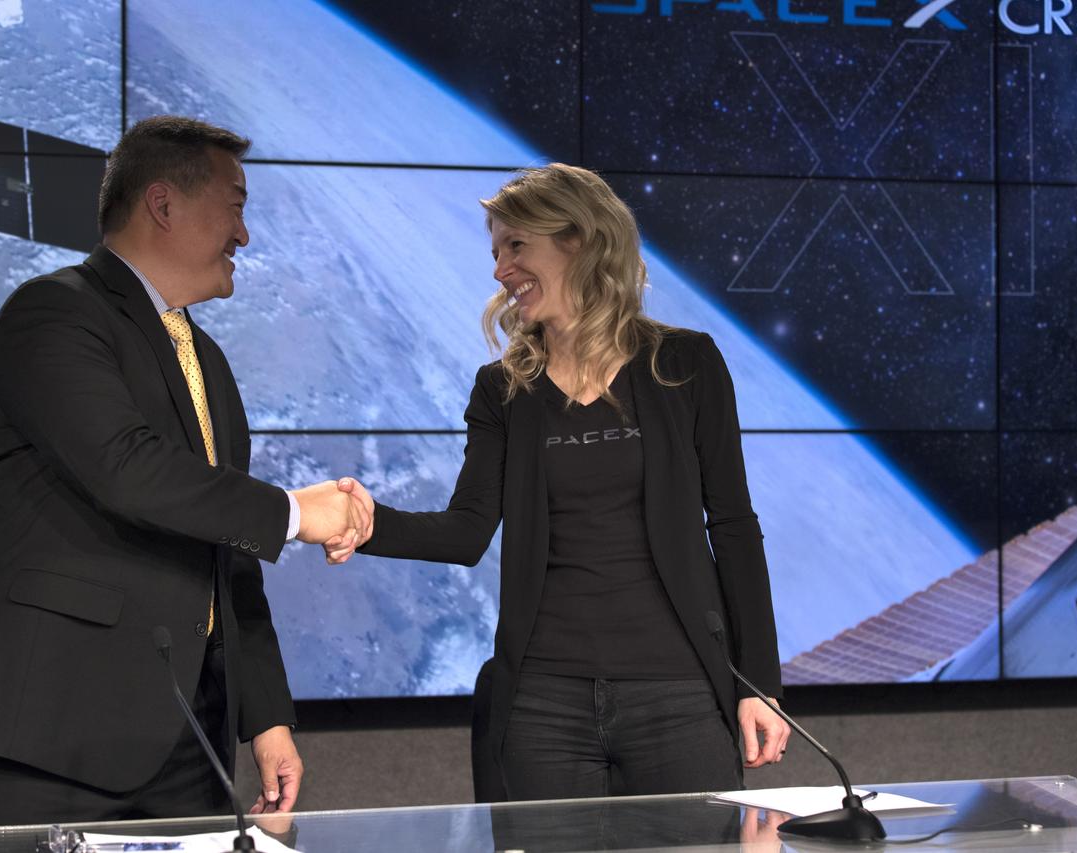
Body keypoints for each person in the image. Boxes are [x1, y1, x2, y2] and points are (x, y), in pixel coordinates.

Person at [0, 116, 371, 825]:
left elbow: (225, 546)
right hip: (48, 740)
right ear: (164, 205)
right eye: (234, 206)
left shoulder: (208, 363)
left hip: (184, 742)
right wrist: (295, 513)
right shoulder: (52, 313)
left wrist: (266, 719)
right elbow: (126, 468)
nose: (245, 234)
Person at [328, 163, 790, 801]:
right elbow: (465, 532)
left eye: (516, 245)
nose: (499, 270)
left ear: (578, 239)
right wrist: (365, 521)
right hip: (544, 706)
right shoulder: (503, 389)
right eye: (495, 252)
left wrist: (758, 683)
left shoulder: (685, 364)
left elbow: (734, 527)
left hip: (679, 697)